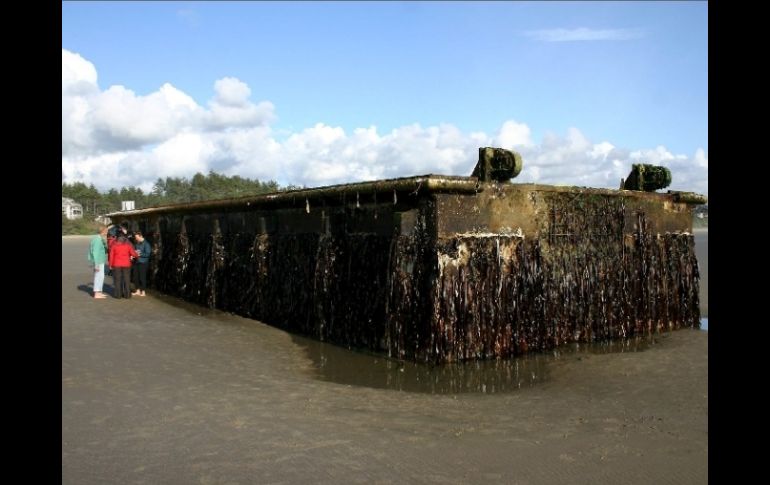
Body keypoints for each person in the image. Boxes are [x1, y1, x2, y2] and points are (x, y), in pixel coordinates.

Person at [109, 233, 138, 299]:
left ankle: (118, 295)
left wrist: (110, 265)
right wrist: (137, 255)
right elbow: (133, 254)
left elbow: (111, 256)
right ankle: (127, 295)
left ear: (117, 239)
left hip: (116, 264)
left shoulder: (114, 246)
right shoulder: (128, 246)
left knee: (118, 280)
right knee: (127, 279)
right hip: (126, 264)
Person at [87, 225, 109, 299]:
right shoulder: (97, 239)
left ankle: (99, 292)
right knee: (98, 276)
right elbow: (95, 252)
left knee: (101, 276)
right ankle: (96, 293)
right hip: (98, 261)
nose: (107, 232)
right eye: (106, 231)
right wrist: (96, 264)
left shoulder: (99, 239)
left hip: (100, 260)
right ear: (103, 231)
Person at [131, 231, 151, 296]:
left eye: (136, 237)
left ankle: (143, 291)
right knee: (135, 277)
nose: (136, 238)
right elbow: (134, 251)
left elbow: (148, 254)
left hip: (143, 263)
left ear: (141, 236)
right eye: (135, 237)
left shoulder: (146, 244)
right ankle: (137, 290)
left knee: (142, 277)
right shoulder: (136, 243)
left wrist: (140, 254)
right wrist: (132, 255)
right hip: (136, 262)